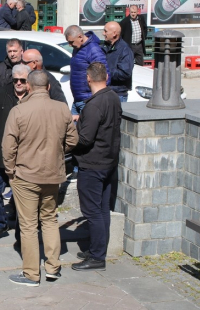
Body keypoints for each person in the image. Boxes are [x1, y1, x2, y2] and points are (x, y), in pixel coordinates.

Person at [3, 71, 78, 286]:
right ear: (48, 87)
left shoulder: (19, 111)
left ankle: (31, 274)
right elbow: (73, 140)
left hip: (25, 174)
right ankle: (53, 268)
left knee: (28, 226)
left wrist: (10, 171)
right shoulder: (62, 109)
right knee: (50, 220)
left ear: (28, 86)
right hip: (52, 173)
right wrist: (56, 151)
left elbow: (8, 147)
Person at [72, 62, 122, 272]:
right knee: (102, 210)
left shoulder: (94, 105)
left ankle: (97, 257)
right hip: (108, 162)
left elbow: (85, 139)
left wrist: (71, 134)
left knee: (93, 211)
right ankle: (97, 249)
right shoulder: (113, 98)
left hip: (93, 164)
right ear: (107, 77)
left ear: (88, 78)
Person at [0, 64, 31, 242]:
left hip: (24, 158)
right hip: (0, 156)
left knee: (22, 196)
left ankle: (21, 229)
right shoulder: (2, 93)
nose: (18, 83)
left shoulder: (34, 97)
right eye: (15, 79)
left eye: (22, 80)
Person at [64, 25, 110, 183]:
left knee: (84, 135)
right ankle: (76, 166)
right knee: (72, 133)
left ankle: (79, 169)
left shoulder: (94, 50)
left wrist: (94, 98)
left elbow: (103, 75)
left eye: (71, 42)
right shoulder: (78, 49)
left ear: (80, 37)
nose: (70, 45)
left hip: (88, 100)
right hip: (78, 99)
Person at [102, 21, 134, 103]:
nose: (103, 33)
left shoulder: (124, 49)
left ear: (114, 33)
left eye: (106, 31)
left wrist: (105, 72)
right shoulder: (105, 46)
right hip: (105, 92)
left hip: (117, 95)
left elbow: (125, 73)